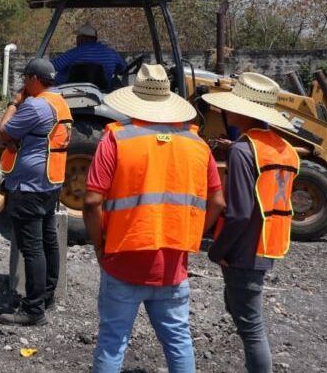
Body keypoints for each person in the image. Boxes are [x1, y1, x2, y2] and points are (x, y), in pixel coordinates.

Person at [82, 64, 225, 373]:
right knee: (178, 341)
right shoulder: (198, 145)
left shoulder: (117, 139)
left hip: (123, 258)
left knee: (112, 342)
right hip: (173, 264)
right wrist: (191, 234)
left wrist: (99, 246)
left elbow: (92, 201)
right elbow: (217, 201)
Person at [204, 73, 300, 373]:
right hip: (268, 243)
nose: (226, 110)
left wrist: (216, 251)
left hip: (244, 250)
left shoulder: (242, 152)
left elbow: (239, 213)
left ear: (244, 111)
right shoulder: (284, 148)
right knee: (243, 314)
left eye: (231, 105)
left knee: (252, 328)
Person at [0, 58, 72, 326]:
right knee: (48, 239)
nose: (23, 83)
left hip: (30, 185)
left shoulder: (35, 105)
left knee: (32, 247)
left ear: (34, 80)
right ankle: (47, 295)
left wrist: (14, 104)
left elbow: (4, 132)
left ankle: (33, 309)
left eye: (25, 78)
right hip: (51, 181)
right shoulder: (59, 101)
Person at [50, 23, 125, 87]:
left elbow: (52, 66)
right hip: (103, 92)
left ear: (82, 38)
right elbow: (123, 68)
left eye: (78, 37)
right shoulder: (111, 53)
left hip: (70, 93)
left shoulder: (75, 53)